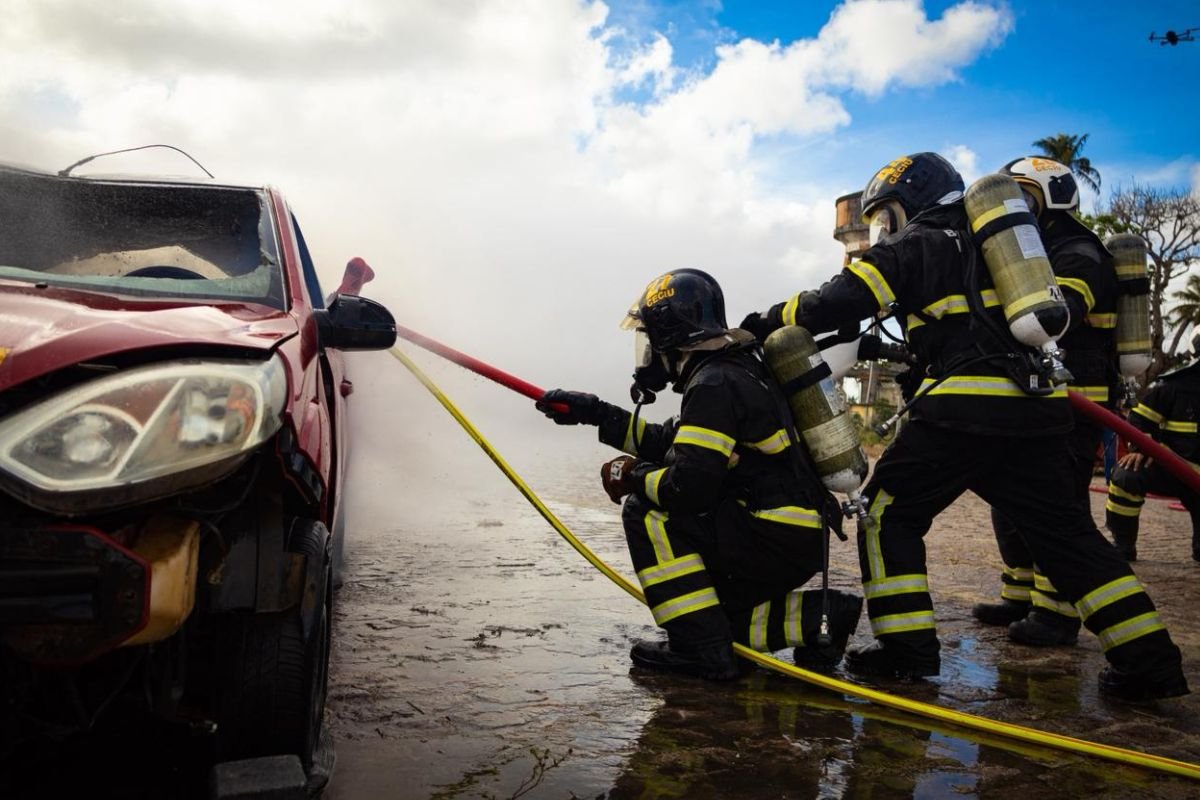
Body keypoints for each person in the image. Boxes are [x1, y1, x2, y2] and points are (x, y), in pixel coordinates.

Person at [740, 152, 1188, 701]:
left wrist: (761, 323)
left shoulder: (921, 240)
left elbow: (840, 302)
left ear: (913, 201)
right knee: (1067, 536)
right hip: (1037, 406)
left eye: (887, 215)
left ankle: (907, 652)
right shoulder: (1006, 243)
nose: (885, 228)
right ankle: (1151, 664)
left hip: (963, 405)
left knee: (887, 514)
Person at [536, 268, 862, 681]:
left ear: (669, 334)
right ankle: (822, 618)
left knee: (646, 511)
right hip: (792, 536)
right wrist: (594, 413)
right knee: (713, 614)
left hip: (770, 536)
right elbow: (669, 443)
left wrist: (632, 476)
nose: (647, 353)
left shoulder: (714, 384)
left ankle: (699, 652)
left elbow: (687, 488)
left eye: (648, 339)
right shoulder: (736, 370)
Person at [971, 156, 1119, 648]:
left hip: (1077, 401)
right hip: (1038, 399)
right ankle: (1019, 595)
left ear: (1051, 198)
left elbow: (1060, 313)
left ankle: (1057, 616)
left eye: (1024, 197)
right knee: (1011, 502)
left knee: (1060, 510)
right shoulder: (1034, 250)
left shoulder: (1079, 251)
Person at [1106, 333, 1200, 562]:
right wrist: (1140, 448)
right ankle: (1123, 544)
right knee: (1126, 476)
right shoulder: (1175, 387)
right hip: (1174, 468)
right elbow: (1139, 421)